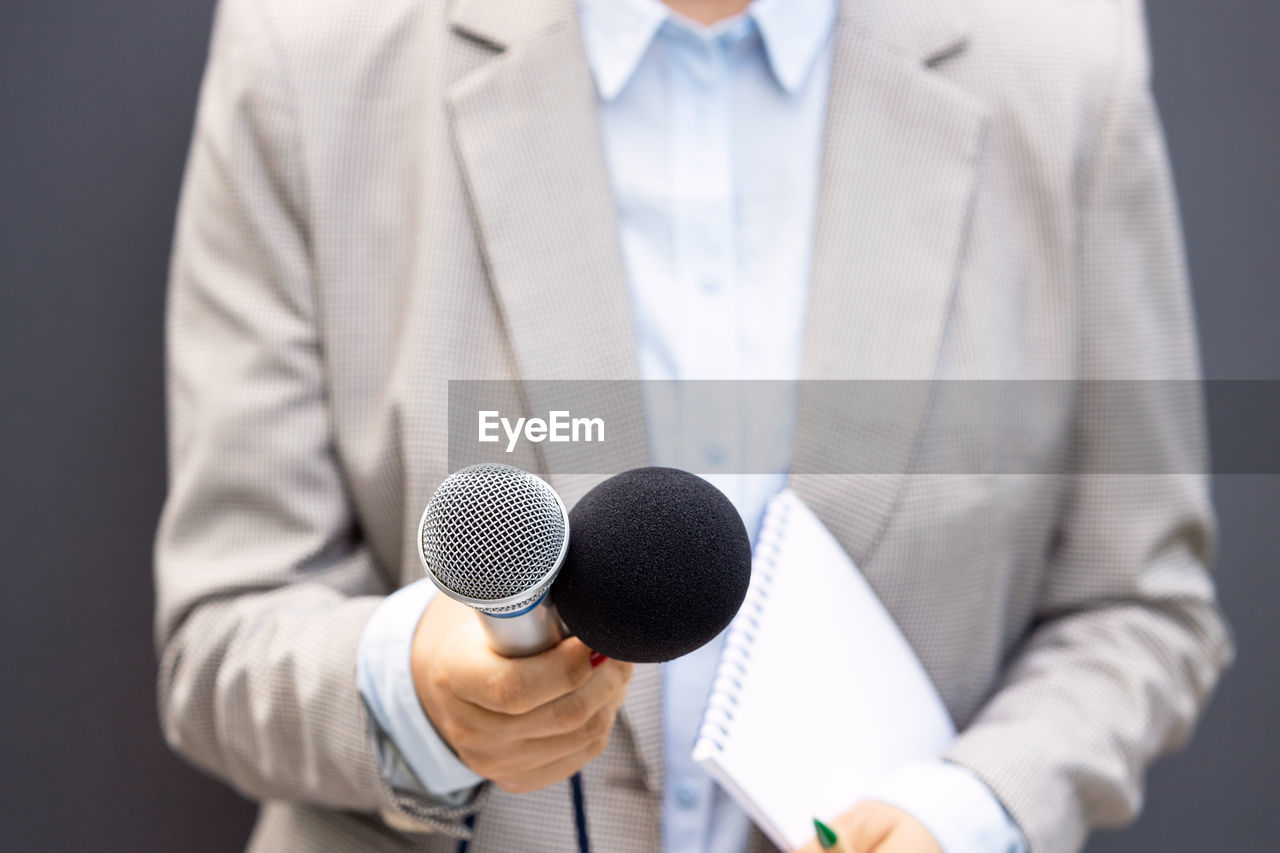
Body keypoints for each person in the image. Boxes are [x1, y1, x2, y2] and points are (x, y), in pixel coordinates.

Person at [154, 0, 1232, 850]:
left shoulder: (1063, 61)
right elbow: (223, 629)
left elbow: (1136, 604)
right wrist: (415, 691)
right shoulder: (311, 53)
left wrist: (972, 809)